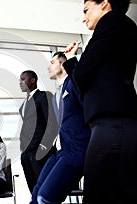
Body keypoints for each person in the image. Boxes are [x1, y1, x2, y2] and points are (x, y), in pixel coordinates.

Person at [62, 0, 137, 203]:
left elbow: (82, 74)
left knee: (98, 192)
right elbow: (84, 79)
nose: (84, 17)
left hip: (113, 124)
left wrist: (72, 62)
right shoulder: (120, 27)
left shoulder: (111, 23)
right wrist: (72, 62)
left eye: (86, 10)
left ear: (104, 3)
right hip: (116, 123)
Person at [30, 52, 91, 204]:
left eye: (52, 62)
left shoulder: (73, 83)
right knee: (36, 194)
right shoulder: (58, 92)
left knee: (45, 197)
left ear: (63, 64)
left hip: (76, 151)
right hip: (59, 152)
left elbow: (89, 109)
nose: (48, 66)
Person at [19, 70, 58, 193]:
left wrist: (43, 146)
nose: (20, 82)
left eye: (23, 79)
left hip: (39, 151)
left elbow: (52, 123)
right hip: (26, 153)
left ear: (32, 80)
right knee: (34, 190)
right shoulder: (24, 104)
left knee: (45, 191)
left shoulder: (44, 96)